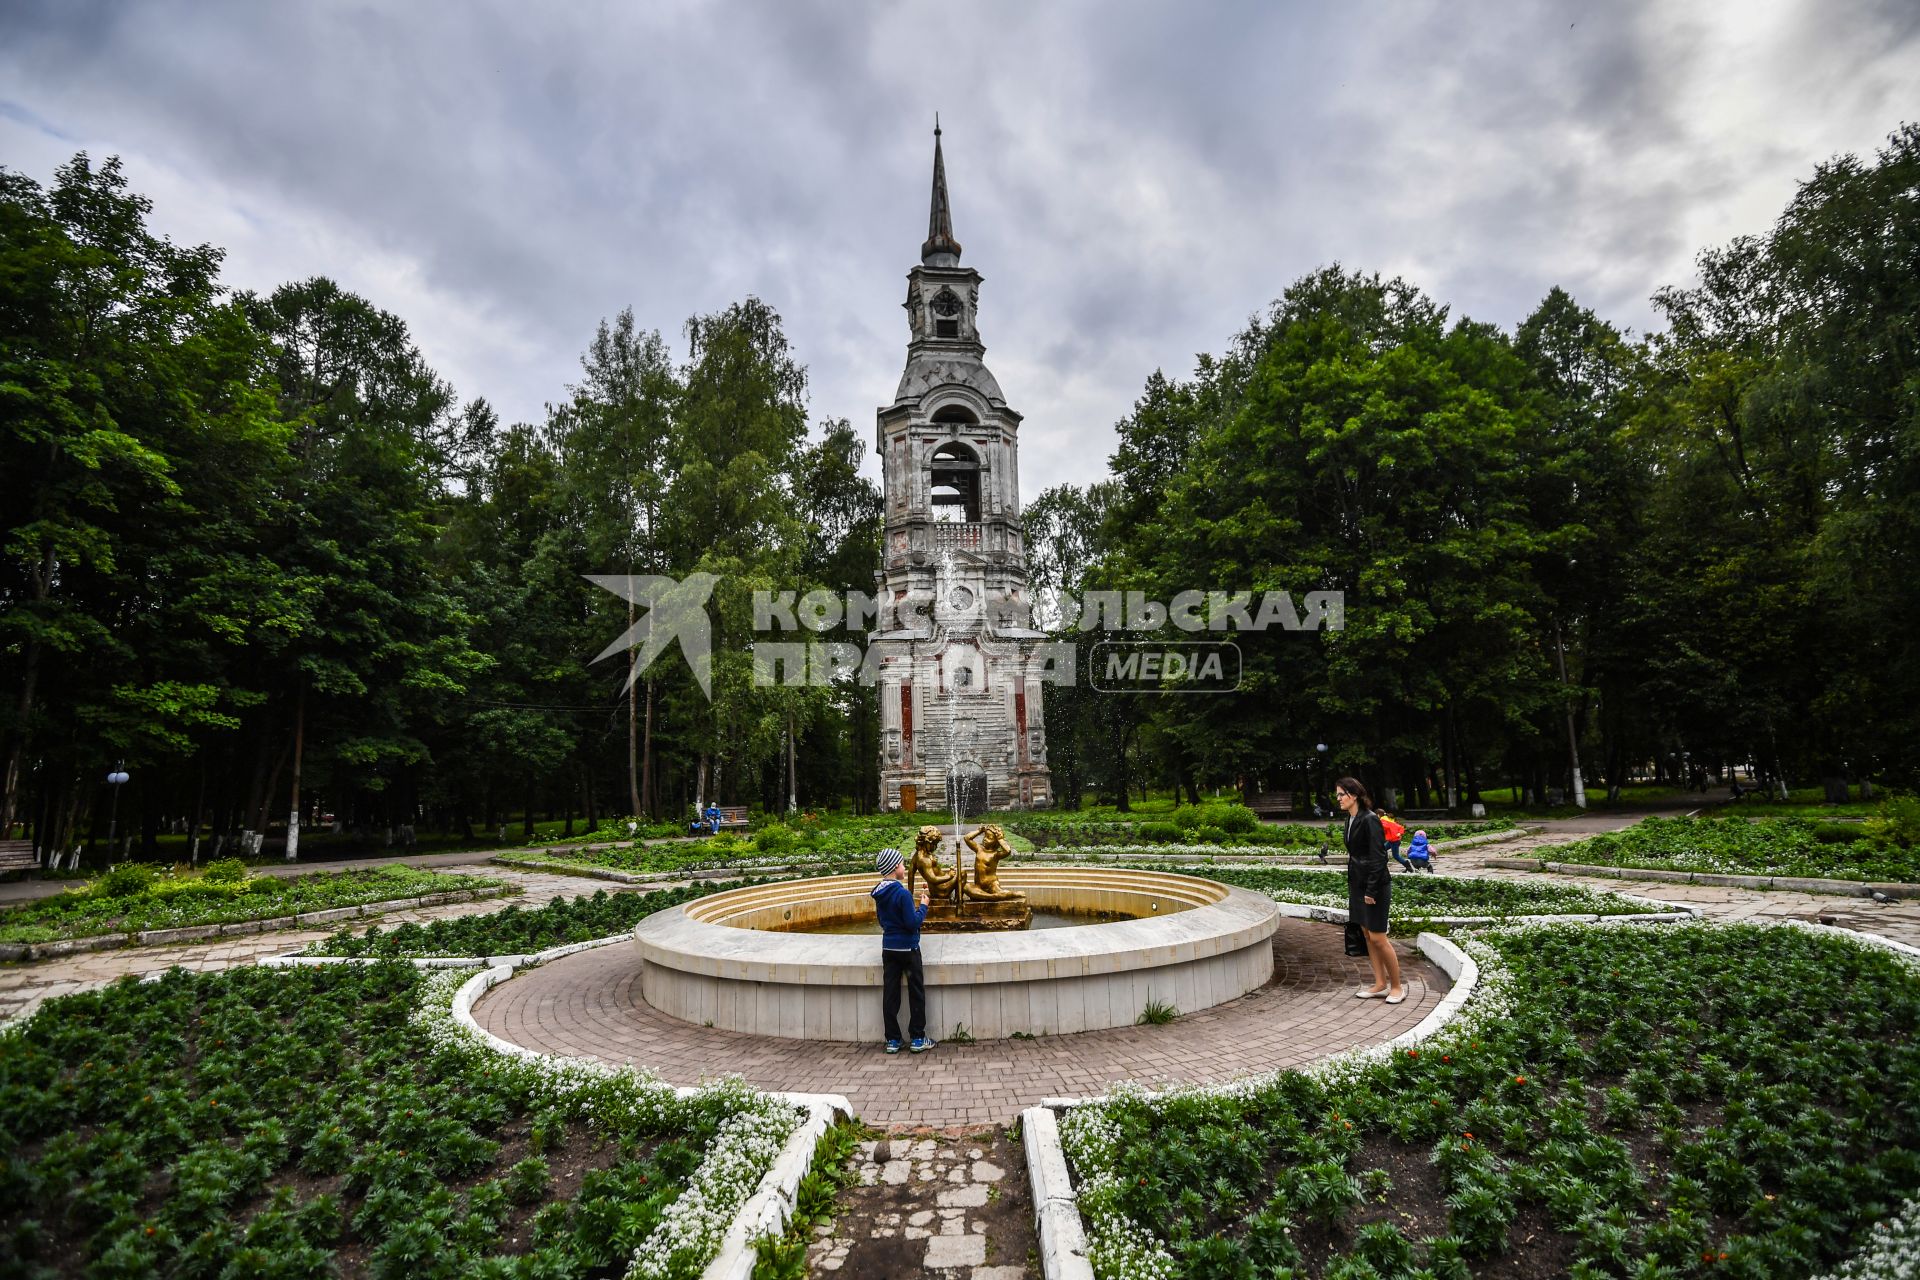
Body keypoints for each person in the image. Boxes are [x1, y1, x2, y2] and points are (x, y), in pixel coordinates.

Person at [1336, 776, 1404, 1004]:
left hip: (1375, 886)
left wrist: (1372, 891)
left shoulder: (1370, 819)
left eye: (1341, 794)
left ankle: (1397, 987)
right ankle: (1379, 984)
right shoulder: (1351, 819)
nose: (1338, 799)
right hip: (1358, 884)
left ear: (1353, 795)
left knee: (1378, 936)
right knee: (1367, 935)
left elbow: (1378, 858)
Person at [870, 847, 935, 1054]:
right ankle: (917, 1038)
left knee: (890, 994)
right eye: (902, 864)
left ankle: (893, 1040)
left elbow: (883, 921)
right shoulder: (902, 893)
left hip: (889, 948)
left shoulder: (879, 893)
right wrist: (923, 906)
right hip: (908, 948)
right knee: (916, 992)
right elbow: (912, 923)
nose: (905, 867)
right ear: (895, 867)